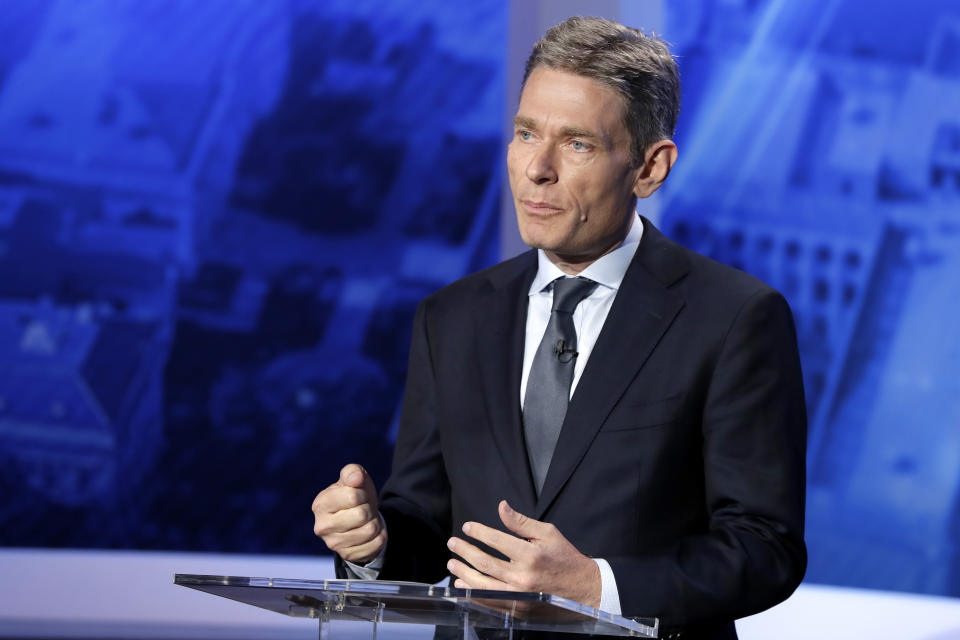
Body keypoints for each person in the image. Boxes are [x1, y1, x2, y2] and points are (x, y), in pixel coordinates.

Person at [311, 16, 806, 640]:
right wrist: (372, 543)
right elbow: (427, 522)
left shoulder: (734, 317)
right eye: (525, 134)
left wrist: (595, 586)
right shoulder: (452, 316)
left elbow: (765, 549)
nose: (536, 168)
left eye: (578, 144)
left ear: (650, 168)